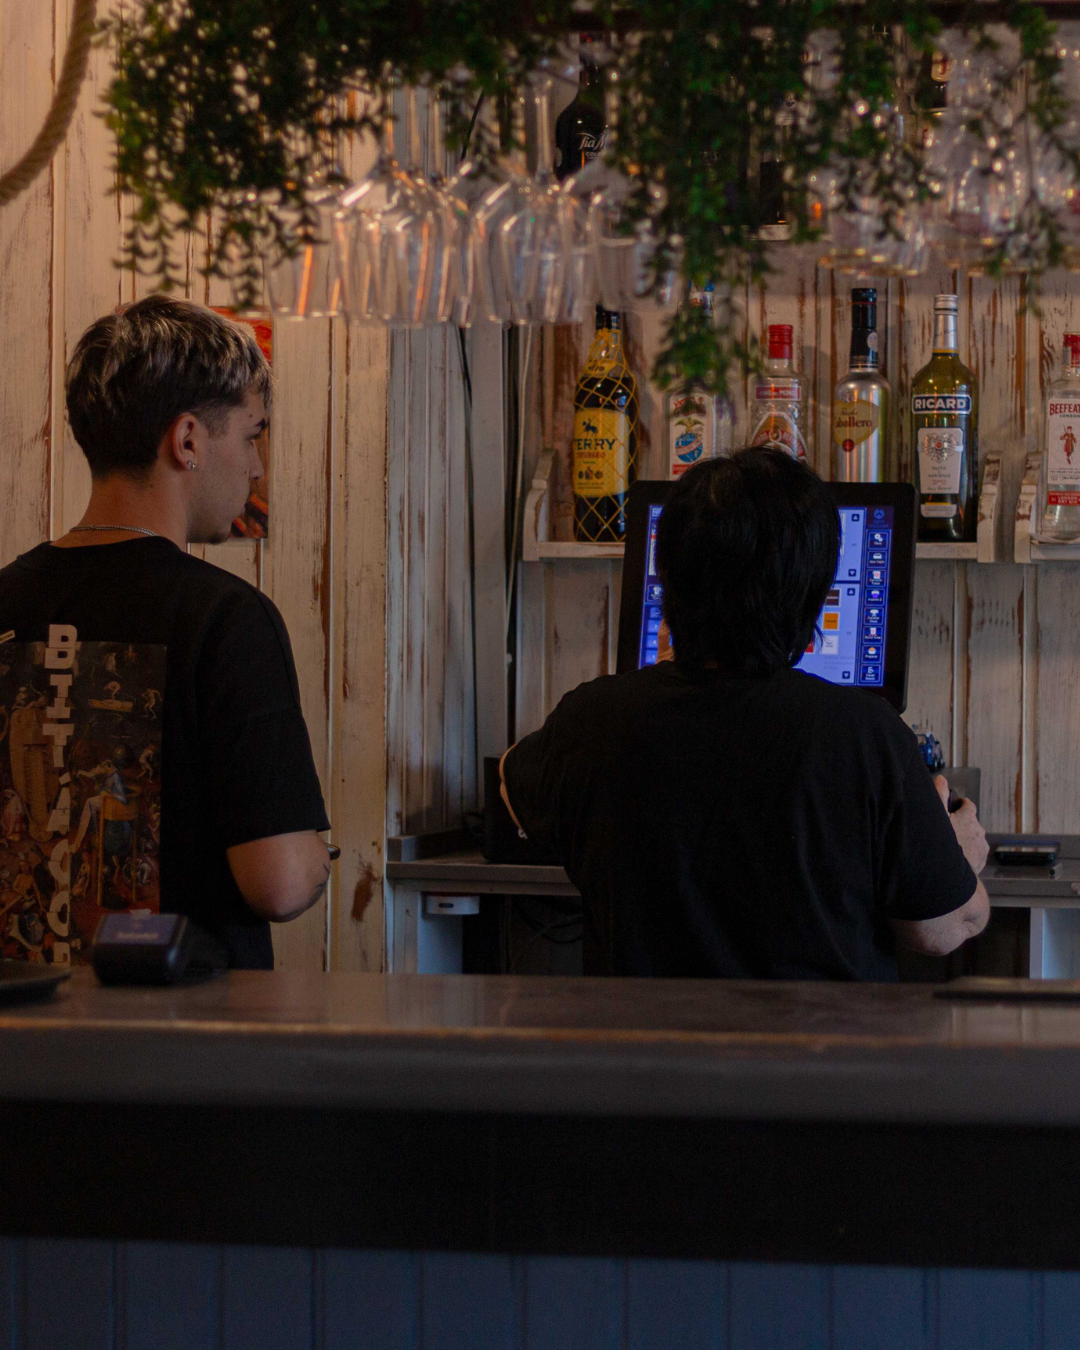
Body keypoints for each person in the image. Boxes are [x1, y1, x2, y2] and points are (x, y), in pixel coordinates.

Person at [500, 448, 989, 980]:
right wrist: (956, 852)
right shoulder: (864, 733)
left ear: (668, 580)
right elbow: (942, 930)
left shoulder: (594, 719)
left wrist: (664, 669)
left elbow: (510, 783)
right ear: (812, 594)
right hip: (820, 1037)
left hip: (638, 1035)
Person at [0, 295, 331, 967]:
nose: (257, 466)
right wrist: (313, 857)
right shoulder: (227, 618)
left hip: (23, 1021)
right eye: (252, 435)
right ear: (187, 441)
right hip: (183, 1026)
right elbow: (280, 881)